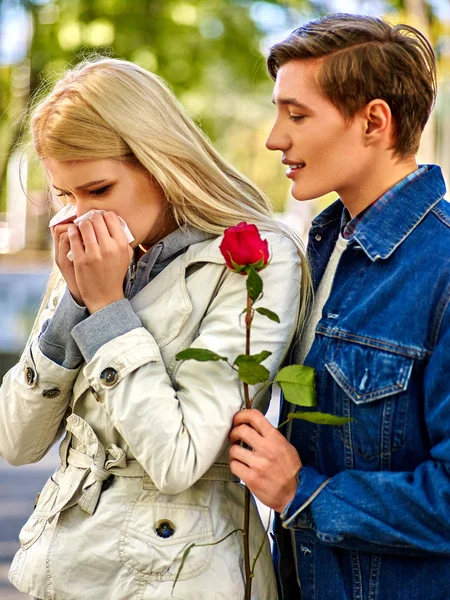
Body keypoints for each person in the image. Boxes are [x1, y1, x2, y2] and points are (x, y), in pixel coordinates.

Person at [0, 57, 308, 600]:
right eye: (64, 195)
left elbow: (179, 460)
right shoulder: (91, 261)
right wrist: (74, 301)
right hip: (65, 573)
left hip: (179, 578)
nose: (79, 216)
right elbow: (17, 443)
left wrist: (107, 308)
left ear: (160, 162)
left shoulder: (256, 259)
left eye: (98, 189)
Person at [229, 13, 450, 600]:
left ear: (374, 121)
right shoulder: (318, 253)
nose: (276, 138)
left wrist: (303, 491)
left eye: (297, 115)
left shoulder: (445, 273)